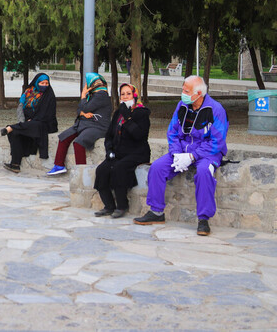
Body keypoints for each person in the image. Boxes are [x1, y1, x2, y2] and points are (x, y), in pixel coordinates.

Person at [134, 75, 229, 236]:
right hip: (182, 150)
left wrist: (192, 157)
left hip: (207, 153)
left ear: (198, 93)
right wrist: (177, 153)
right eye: (183, 89)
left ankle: (203, 219)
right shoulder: (182, 105)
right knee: (157, 167)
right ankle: (156, 212)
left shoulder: (216, 110)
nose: (182, 93)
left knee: (204, 173)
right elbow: (172, 132)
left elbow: (217, 142)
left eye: (186, 90)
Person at [94, 83, 151, 218]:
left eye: (128, 94)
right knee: (102, 170)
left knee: (119, 168)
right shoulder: (118, 113)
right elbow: (109, 135)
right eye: (123, 94)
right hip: (118, 152)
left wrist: (127, 118)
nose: (125, 97)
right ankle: (108, 206)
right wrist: (109, 150)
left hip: (137, 152)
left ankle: (122, 206)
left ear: (135, 95)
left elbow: (139, 135)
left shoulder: (141, 113)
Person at [47, 73, 111, 175]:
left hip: (98, 126)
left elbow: (85, 107)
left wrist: (83, 96)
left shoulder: (101, 95)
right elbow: (80, 109)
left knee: (79, 143)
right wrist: (83, 113)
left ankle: (81, 173)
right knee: (64, 137)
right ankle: (59, 165)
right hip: (85, 123)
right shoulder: (92, 95)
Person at [1, 73, 58, 173]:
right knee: (14, 133)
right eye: (42, 83)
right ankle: (15, 164)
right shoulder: (28, 92)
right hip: (27, 123)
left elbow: (48, 114)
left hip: (44, 123)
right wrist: (24, 122)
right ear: (37, 82)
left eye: (46, 83)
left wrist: (34, 119)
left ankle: (11, 127)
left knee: (32, 125)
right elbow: (20, 108)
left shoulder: (49, 95)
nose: (44, 85)